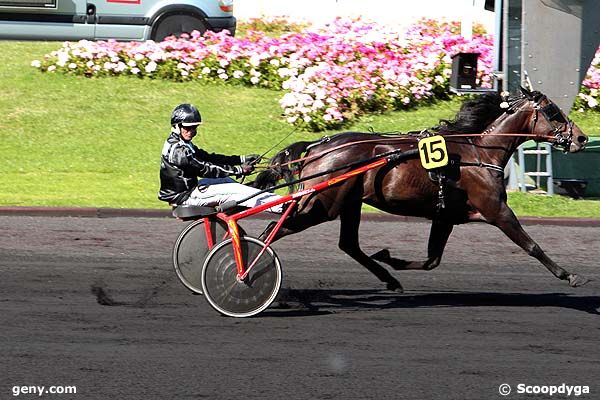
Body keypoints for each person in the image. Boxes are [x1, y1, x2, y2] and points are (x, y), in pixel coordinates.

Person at [158, 103, 283, 212]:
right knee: (238, 191)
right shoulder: (178, 150)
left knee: (229, 183)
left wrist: (241, 159)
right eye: (187, 127)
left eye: (194, 127)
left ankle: (273, 202)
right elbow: (204, 169)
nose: (191, 131)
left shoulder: (181, 143)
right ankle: (282, 206)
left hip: (189, 190)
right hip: (187, 196)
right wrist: (238, 170)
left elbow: (209, 158)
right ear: (177, 126)